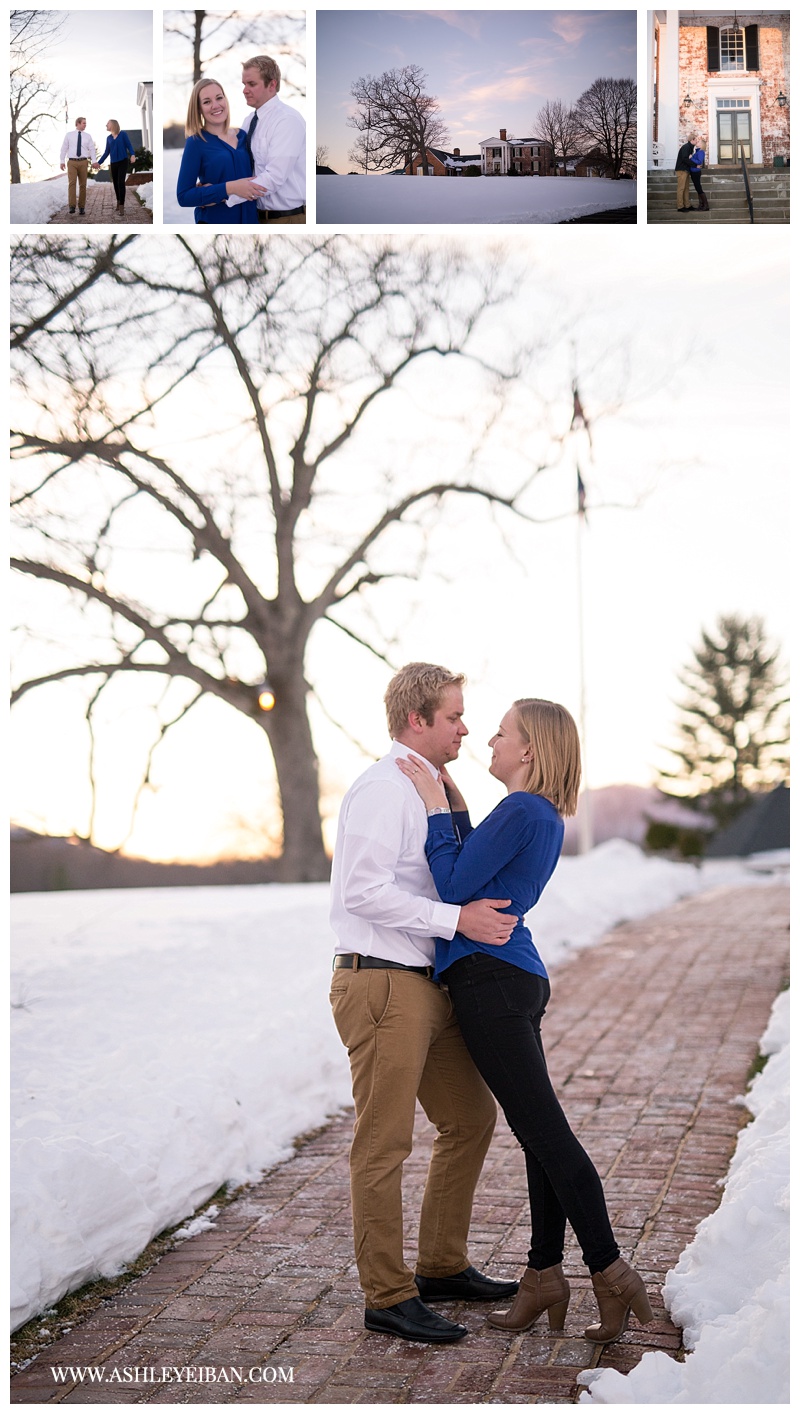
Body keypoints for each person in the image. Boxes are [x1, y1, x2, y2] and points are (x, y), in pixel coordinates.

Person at [398, 698, 655, 1345]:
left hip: (491, 981)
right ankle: (543, 1275)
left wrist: (435, 807)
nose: (489, 737)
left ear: (530, 750)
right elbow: (476, 871)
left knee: (548, 1134)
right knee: (536, 1133)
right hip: (511, 977)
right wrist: (455, 808)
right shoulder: (536, 815)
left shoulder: (519, 810)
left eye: (503, 732)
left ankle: (611, 1270)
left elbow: (452, 883)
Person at [329, 663, 521, 1344]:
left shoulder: (434, 787)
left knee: (470, 1118)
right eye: (454, 715)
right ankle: (387, 1295)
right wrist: (457, 921)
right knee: (382, 1144)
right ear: (417, 719)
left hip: (426, 984)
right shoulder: (385, 789)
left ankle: (442, 1266)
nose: (466, 727)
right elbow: (361, 891)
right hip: (382, 981)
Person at [225, 55, 305, 224]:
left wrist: (226, 195)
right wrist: (212, 188)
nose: (245, 90)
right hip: (254, 216)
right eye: (244, 84)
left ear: (272, 84)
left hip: (287, 219)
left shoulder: (287, 120)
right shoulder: (249, 121)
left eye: (252, 84)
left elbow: (274, 177)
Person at [176, 77, 263, 224]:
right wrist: (229, 188)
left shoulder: (243, 136)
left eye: (219, 98)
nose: (215, 105)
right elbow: (184, 196)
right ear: (198, 109)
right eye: (207, 102)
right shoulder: (196, 143)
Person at [95, 120, 135, 213]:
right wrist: (99, 163)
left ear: (113, 125)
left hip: (123, 161)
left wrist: (132, 154)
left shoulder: (123, 134)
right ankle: (118, 201)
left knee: (121, 182)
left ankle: (122, 205)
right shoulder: (108, 138)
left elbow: (129, 145)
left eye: (108, 123)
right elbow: (106, 152)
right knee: (116, 184)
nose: (106, 125)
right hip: (113, 163)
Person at [59, 117, 97, 216]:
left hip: (84, 162)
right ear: (78, 124)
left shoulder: (88, 136)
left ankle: (81, 207)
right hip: (72, 162)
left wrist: (94, 161)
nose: (85, 125)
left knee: (83, 185)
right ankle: (72, 206)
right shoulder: (69, 135)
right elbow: (64, 148)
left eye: (85, 123)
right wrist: (62, 161)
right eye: (84, 123)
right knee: (72, 183)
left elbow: (92, 149)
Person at [675, 135, 696, 211]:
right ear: (692, 140)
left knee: (686, 188)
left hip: (686, 170)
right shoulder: (686, 147)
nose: (697, 141)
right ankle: (680, 206)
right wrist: (694, 164)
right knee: (681, 188)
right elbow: (684, 159)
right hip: (681, 170)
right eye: (696, 139)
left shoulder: (690, 147)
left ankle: (687, 205)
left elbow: (687, 158)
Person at [690, 141, 709, 212]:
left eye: (699, 142)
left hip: (696, 172)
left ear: (701, 145)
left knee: (699, 188)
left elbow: (699, 162)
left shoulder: (701, 152)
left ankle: (705, 205)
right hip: (693, 171)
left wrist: (691, 158)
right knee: (697, 188)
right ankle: (701, 205)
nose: (697, 143)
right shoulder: (697, 151)